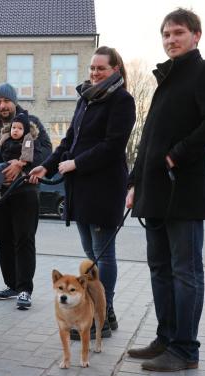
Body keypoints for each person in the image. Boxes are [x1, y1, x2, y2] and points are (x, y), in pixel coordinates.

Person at [125, 8, 205, 371]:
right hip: (152, 192)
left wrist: (176, 156)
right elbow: (148, 139)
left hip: (183, 191)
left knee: (185, 270)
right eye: (166, 34)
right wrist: (134, 182)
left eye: (178, 33)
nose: (171, 39)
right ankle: (166, 338)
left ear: (196, 35)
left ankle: (185, 349)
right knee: (159, 268)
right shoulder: (164, 82)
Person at [29, 46, 136, 337]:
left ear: (116, 70)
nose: (94, 72)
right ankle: (106, 314)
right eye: (92, 68)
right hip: (81, 190)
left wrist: (76, 163)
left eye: (101, 68)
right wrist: (46, 167)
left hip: (103, 188)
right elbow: (68, 141)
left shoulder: (122, 101)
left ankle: (103, 313)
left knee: (102, 255)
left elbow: (113, 146)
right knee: (90, 254)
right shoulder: (86, 99)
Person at [0, 83, 52, 309]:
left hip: (25, 191)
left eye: (6, 101)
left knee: (24, 239)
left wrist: (22, 168)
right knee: (2, 240)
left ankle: (25, 289)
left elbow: (46, 151)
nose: (2, 105)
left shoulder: (32, 123)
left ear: (14, 102)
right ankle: (12, 285)